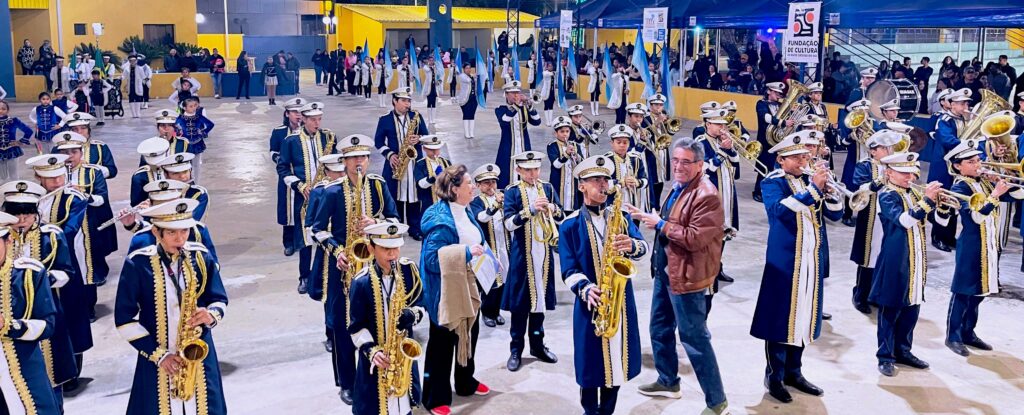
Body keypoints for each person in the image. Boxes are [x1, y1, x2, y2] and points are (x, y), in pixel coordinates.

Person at [628, 137, 730, 414]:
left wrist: (659, 224)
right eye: (675, 160)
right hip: (667, 272)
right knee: (659, 330)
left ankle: (717, 402)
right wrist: (650, 218)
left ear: (699, 164)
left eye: (686, 162)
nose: (679, 166)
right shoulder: (680, 187)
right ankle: (668, 381)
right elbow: (675, 222)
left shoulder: (706, 194)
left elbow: (695, 239)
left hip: (687, 278)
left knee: (695, 340)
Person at [751, 130, 842, 403]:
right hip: (785, 261)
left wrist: (831, 192)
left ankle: (795, 371)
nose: (805, 160)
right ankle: (774, 376)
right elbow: (778, 212)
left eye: (806, 155)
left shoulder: (809, 181)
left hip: (811, 260)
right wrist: (814, 190)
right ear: (781, 159)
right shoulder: (773, 181)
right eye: (798, 156)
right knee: (779, 319)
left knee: (803, 316)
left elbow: (836, 216)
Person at [114, 197, 228, 415]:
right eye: (172, 233)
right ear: (156, 232)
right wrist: (160, 355)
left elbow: (219, 298)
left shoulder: (200, 255)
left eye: (185, 231)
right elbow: (124, 319)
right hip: (157, 356)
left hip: (197, 351)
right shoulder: (138, 263)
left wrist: (211, 315)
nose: (180, 238)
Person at [309, 133, 398, 405]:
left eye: (363, 157)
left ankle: (376, 374)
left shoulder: (378, 186)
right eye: (353, 158)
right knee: (342, 326)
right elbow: (317, 230)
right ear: (344, 162)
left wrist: (376, 222)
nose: (359, 162)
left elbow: (394, 219)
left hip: (374, 265)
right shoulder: (333, 191)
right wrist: (337, 252)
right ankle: (346, 382)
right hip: (344, 267)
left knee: (375, 322)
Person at [560, 155, 649, 415]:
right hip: (591, 304)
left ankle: (607, 410)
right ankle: (590, 410)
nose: (602, 184)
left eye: (605, 179)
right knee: (590, 367)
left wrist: (633, 245)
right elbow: (568, 269)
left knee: (618, 365)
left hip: (620, 303)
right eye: (595, 180)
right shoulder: (569, 224)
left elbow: (643, 246)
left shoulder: (620, 215)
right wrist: (586, 288)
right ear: (581, 186)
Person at [417, 165, 492, 415]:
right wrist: (467, 253)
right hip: (446, 293)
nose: (474, 187)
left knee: (469, 335)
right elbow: (430, 260)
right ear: (454, 189)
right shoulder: (440, 220)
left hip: (469, 285)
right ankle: (435, 396)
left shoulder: (465, 209)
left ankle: (465, 381)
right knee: (442, 344)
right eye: (469, 183)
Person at [2, 179, 79, 408]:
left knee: (50, 374)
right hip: (13, 325)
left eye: (27, 214)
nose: (22, 221)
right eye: (17, 215)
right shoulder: (5, 237)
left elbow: (67, 273)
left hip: (44, 305)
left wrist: (42, 279)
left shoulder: (51, 235)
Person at [945, 139, 1020, 357]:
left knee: (980, 291)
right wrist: (995, 194)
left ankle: (969, 331)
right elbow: (977, 217)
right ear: (958, 165)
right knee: (963, 291)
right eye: (971, 161)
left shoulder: (984, 182)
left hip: (989, 243)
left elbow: (1016, 196)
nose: (978, 164)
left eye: (978, 159)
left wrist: (1007, 182)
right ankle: (953, 336)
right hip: (971, 244)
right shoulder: (959, 186)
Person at [868, 151, 940, 377]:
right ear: (888, 173)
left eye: (912, 173)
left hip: (916, 256)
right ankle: (885, 355)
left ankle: (903, 350)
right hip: (895, 258)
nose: (910, 177)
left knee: (912, 306)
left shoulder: (913, 193)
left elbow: (937, 220)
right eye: (903, 173)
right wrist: (927, 201)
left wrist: (941, 206)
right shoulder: (887, 195)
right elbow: (904, 221)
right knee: (891, 308)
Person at [25, 153, 91, 393]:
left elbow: (70, 229)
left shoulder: (74, 198)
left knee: (71, 314)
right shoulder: (28, 199)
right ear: (38, 178)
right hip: (30, 265)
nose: (56, 182)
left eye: (59, 176)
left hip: (64, 262)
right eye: (49, 178)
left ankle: (72, 369)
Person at [347, 222, 424, 415]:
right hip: (378, 360)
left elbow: (423, 304)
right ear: (371, 248)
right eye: (386, 249)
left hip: (401, 355)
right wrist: (372, 351)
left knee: (404, 406)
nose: (392, 254)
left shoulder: (408, 270)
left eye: (396, 247)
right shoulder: (361, 282)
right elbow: (356, 327)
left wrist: (413, 314)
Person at [501, 150, 562, 372]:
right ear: (518, 170)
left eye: (535, 169)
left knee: (540, 303)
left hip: (544, 254)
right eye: (527, 170)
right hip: (522, 254)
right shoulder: (511, 192)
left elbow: (561, 214)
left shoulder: (546, 188)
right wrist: (530, 210)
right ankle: (515, 349)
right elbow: (508, 224)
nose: (533, 173)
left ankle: (537, 345)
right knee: (520, 304)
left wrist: (552, 208)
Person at [0, 210, 61, 413]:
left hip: (25, 368)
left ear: (8, 241)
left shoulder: (29, 273)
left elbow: (48, 325)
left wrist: (10, 325)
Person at [278, 102, 337, 294]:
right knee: (305, 240)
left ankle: (326, 276)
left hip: (326, 194)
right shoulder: (290, 141)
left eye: (319, 119)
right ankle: (304, 276)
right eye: (313, 120)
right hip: (304, 196)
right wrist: (299, 185)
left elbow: (337, 163)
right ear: (303, 119)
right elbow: (282, 168)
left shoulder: (327, 137)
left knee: (328, 235)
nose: (317, 123)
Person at [54, 131, 117, 292]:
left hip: (89, 221)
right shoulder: (53, 173)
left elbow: (102, 198)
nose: (69, 157)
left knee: (90, 259)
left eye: (73, 152)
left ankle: (90, 299)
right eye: (64, 153)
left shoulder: (93, 171)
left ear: (81, 153)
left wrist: (83, 195)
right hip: (62, 223)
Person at [848, 130, 896, 314]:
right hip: (871, 216)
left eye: (888, 147)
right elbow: (858, 186)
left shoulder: (895, 165)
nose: (889, 151)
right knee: (868, 256)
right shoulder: (865, 165)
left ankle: (875, 294)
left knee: (883, 255)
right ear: (873, 151)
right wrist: (879, 181)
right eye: (884, 148)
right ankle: (860, 295)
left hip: (889, 216)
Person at [374, 87, 430, 240]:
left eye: (409, 101)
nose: (407, 104)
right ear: (394, 101)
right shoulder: (384, 119)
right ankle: (397, 226)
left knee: (414, 195)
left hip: (414, 164)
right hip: (395, 164)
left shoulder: (416, 117)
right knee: (395, 195)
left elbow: (426, 135)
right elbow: (378, 141)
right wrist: (390, 155)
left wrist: (419, 138)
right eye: (404, 101)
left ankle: (415, 228)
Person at [929, 88, 974, 252]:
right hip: (943, 167)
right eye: (962, 103)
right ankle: (938, 237)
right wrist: (968, 145)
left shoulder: (964, 119)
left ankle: (949, 237)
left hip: (957, 168)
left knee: (955, 202)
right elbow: (947, 140)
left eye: (967, 103)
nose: (965, 106)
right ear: (952, 104)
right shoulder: (945, 119)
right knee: (942, 201)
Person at [468, 164, 510, 328]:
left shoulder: (504, 198)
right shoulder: (476, 201)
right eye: (486, 182)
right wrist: (495, 206)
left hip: (503, 245)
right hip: (487, 248)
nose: (491, 185)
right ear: (478, 185)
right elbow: (482, 217)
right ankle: (487, 313)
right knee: (490, 283)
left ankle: (497, 311)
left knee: (503, 281)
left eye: (493, 182)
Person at [270, 97, 306, 255]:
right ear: (287, 114)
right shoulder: (279, 132)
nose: (297, 115)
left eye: (300, 112)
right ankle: (289, 243)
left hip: (305, 177)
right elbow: (273, 151)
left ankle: (302, 240)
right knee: (288, 210)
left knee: (303, 209)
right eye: (294, 112)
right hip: (286, 177)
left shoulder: (309, 131)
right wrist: (283, 159)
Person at [753, 82, 790, 201]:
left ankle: (775, 190)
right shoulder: (761, 104)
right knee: (764, 167)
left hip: (778, 141)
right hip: (765, 141)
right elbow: (766, 118)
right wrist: (783, 123)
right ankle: (758, 191)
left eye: (780, 93)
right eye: (777, 93)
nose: (779, 95)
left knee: (778, 167)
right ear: (769, 91)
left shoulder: (780, 105)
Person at [605, 124, 648, 213]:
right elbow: (602, 184)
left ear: (629, 144)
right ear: (612, 143)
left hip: (633, 206)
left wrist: (637, 182)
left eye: (625, 142)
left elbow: (645, 180)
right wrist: (621, 182)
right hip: (612, 207)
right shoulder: (607, 160)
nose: (622, 145)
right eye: (618, 142)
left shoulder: (635, 158)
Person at [642, 94, 673, 211]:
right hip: (651, 152)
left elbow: (670, 134)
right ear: (650, 106)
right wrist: (656, 123)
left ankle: (657, 203)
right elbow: (644, 132)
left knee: (661, 178)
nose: (659, 108)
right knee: (652, 178)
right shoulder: (646, 118)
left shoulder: (665, 117)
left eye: (660, 105)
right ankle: (651, 204)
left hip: (663, 152)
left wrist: (667, 124)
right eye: (656, 105)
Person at [547, 116, 582, 213]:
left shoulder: (575, 145)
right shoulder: (552, 146)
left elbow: (581, 163)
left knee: (573, 208)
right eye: (562, 132)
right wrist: (566, 154)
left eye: (567, 131)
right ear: (556, 133)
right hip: (558, 182)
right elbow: (556, 165)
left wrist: (576, 155)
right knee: (559, 209)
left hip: (572, 183)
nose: (565, 134)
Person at [175, 97, 215, 180]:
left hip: (197, 143)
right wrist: (178, 133)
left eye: (194, 106)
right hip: (185, 144)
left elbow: (210, 124)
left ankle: (196, 183)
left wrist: (203, 132)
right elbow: (174, 126)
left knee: (196, 165)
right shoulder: (180, 118)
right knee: (185, 164)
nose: (193, 108)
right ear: (185, 108)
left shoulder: (199, 117)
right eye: (191, 106)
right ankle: (187, 181)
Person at [413, 135, 452, 216]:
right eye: (431, 149)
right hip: (429, 203)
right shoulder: (420, 164)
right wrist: (434, 176)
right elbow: (421, 185)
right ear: (424, 149)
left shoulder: (446, 162)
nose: (435, 152)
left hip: (446, 202)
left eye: (437, 149)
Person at [0, 100, 34, 180]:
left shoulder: (14, 121)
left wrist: (20, 142)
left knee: (14, 175)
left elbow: (28, 131)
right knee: (3, 177)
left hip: (12, 150)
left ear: (8, 110)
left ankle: (15, 191)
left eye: (3, 109)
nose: (0, 111)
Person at [456, 63, 479, 139]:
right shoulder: (462, 76)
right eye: (466, 68)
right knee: (466, 115)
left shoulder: (471, 75)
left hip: (473, 98)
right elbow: (468, 80)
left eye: (469, 68)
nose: (468, 70)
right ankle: (466, 133)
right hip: (465, 99)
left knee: (472, 115)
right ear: (463, 69)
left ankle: (471, 132)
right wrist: (474, 76)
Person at [540, 62, 556, 126]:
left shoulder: (553, 73)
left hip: (552, 92)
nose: (550, 67)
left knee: (551, 106)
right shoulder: (545, 73)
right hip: (546, 92)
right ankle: (547, 121)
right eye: (549, 66)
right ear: (547, 67)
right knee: (546, 106)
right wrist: (554, 73)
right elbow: (547, 74)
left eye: (551, 66)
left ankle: (551, 120)